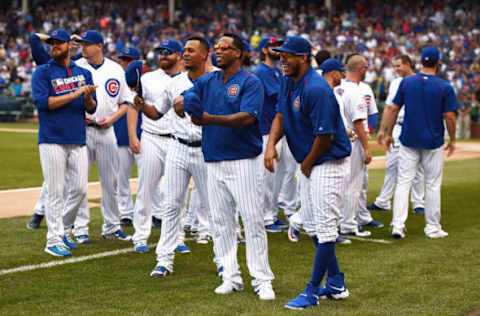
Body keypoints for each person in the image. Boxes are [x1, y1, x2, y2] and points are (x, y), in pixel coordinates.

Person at [175, 33, 275, 300]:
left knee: (252, 221)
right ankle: (230, 275)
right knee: (220, 222)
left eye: (224, 47)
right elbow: (186, 97)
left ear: (239, 53)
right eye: (216, 47)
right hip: (214, 160)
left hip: (243, 160)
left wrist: (208, 119)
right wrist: (181, 103)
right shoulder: (208, 80)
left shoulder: (250, 82)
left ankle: (262, 279)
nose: (218, 51)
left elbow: (246, 118)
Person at [265, 37, 351, 310]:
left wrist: (307, 163)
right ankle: (336, 282)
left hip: (328, 161)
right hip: (310, 161)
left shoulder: (316, 88)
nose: (282, 61)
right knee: (314, 227)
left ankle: (312, 291)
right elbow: (279, 114)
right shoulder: (287, 79)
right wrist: (271, 145)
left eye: (287, 56)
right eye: (280, 56)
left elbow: (325, 135)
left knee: (325, 229)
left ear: (304, 57)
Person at [144, 36, 216, 275]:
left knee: (214, 207)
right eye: (184, 50)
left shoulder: (216, 81)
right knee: (171, 204)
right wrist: (138, 101)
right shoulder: (174, 83)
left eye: (191, 50)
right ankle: (164, 259)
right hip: (178, 146)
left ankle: (224, 262)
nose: (185, 54)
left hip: (206, 147)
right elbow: (156, 113)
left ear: (205, 54)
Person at [377, 46, 458, 239]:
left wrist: (384, 132)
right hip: (433, 142)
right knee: (432, 185)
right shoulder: (444, 86)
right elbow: (450, 117)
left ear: (420, 62)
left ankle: (397, 225)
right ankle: (432, 227)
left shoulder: (406, 83)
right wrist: (453, 139)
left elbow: (392, 109)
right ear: (438, 63)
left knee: (403, 183)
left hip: (408, 140)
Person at [31, 29, 97, 256]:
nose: (54, 47)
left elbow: (92, 107)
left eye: (59, 43)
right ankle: (53, 240)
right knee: (55, 191)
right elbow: (43, 103)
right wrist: (75, 93)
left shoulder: (83, 73)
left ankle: (64, 230)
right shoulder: (42, 72)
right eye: (52, 43)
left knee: (79, 190)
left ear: (70, 45)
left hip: (77, 137)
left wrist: (87, 97)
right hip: (52, 139)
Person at [72, 30, 133, 243]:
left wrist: (114, 118)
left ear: (99, 45)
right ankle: (80, 229)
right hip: (82, 130)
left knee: (111, 183)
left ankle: (112, 227)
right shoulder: (76, 67)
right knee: (78, 183)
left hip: (107, 132)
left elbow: (126, 102)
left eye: (87, 44)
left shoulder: (116, 69)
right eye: (81, 44)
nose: (83, 47)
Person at [126, 40, 184, 252]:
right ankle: (140, 235)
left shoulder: (187, 80)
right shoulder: (147, 78)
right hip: (151, 136)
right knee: (146, 188)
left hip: (177, 139)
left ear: (179, 56)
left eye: (168, 52)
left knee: (176, 191)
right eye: (161, 52)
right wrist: (133, 135)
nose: (163, 56)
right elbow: (133, 106)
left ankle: (177, 237)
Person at [368, 55, 425, 214]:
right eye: (394, 66)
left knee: (417, 167)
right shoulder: (394, 82)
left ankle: (418, 202)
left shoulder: (419, 80)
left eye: (399, 65)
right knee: (392, 164)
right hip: (397, 126)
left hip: (413, 127)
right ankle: (383, 201)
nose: (396, 69)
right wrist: (383, 130)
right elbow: (389, 108)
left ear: (408, 64)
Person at [254, 36, 295, 233]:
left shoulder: (276, 72)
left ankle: (271, 213)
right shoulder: (262, 71)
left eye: (279, 46)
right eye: (272, 46)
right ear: (264, 50)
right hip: (266, 130)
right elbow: (278, 95)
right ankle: (264, 217)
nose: (277, 49)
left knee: (279, 175)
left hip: (278, 130)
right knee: (267, 176)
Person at [335, 55, 377, 237]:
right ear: (361, 69)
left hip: (337, 138)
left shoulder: (336, 88)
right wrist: (367, 148)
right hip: (353, 140)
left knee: (339, 183)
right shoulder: (357, 92)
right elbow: (359, 122)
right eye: (365, 67)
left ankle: (338, 220)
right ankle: (349, 225)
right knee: (354, 184)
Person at [113, 46, 142, 227]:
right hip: (119, 135)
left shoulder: (145, 81)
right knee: (120, 178)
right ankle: (126, 213)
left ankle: (156, 212)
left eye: (128, 60)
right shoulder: (115, 80)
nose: (125, 63)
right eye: (123, 59)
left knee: (148, 178)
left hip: (143, 136)